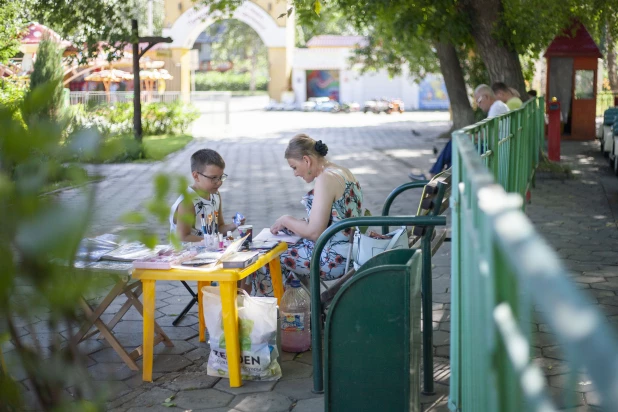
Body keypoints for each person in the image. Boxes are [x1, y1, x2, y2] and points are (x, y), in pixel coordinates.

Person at [250, 134, 364, 297]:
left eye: (294, 167)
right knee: (278, 249)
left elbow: (314, 232)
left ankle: (277, 314)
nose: (295, 174)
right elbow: (331, 220)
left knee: (265, 257)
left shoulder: (326, 178)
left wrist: (286, 220)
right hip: (349, 251)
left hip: (332, 258)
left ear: (307, 160)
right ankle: (297, 309)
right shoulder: (342, 171)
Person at [409, 84, 509, 181]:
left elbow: (488, 135)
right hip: (499, 146)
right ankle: (439, 178)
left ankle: (435, 175)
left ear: (486, 97)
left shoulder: (496, 108)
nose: (478, 105)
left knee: (454, 144)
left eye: (479, 101)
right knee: (455, 145)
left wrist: (467, 136)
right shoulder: (498, 106)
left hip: (495, 149)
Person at [169, 149, 242, 242]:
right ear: (196, 176)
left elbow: (219, 228)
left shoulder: (215, 195)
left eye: (221, 177)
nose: (219, 182)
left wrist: (234, 224)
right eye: (213, 178)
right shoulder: (188, 202)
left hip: (208, 251)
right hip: (185, 254)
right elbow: (183, 237)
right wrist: (214, 241)